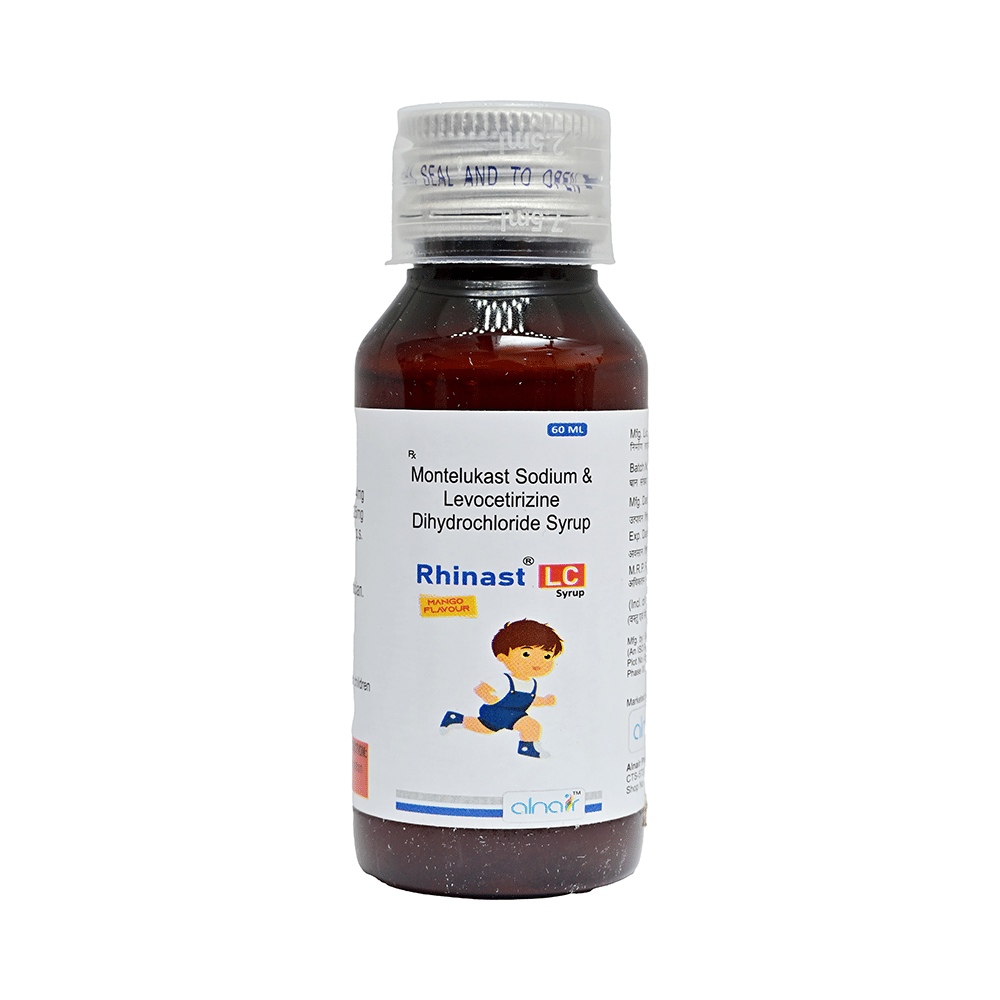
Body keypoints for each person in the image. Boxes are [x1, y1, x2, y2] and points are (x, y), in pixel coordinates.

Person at [440, 619, 563, 758]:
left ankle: (455, 718)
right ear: (503, 657)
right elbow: (481, 689)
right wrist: (490, 698)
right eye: (526, 654)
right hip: (497, 711)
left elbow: (530, 701)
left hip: (512, 714)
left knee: (484, 729)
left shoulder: (532, 684)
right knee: (531, 726)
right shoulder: (504, 679)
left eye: (547, 656)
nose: (538, 662)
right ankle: (527, 748)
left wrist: (545, 701)